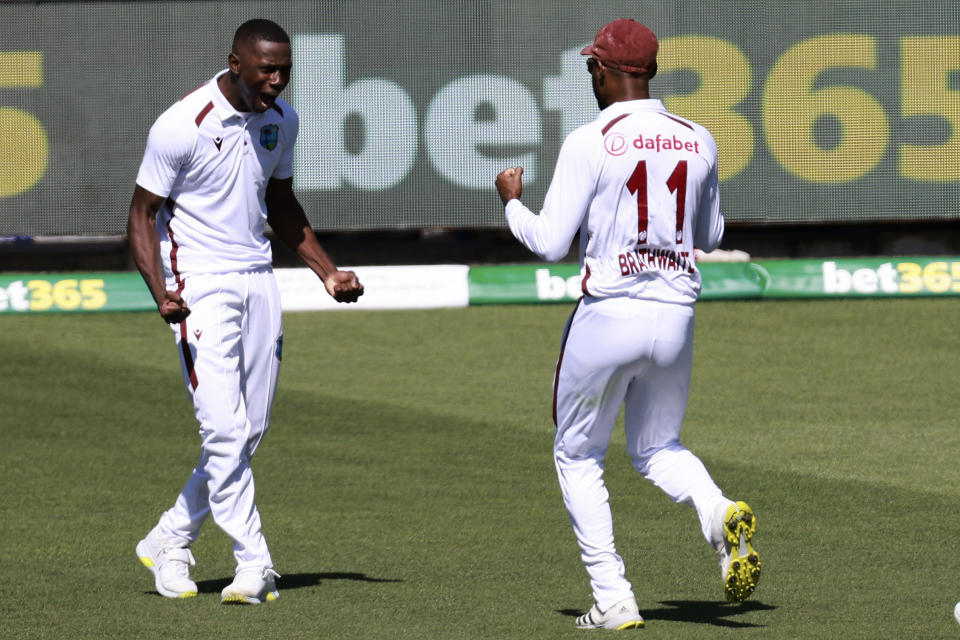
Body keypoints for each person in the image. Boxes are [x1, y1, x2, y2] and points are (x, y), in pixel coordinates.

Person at [495, 18, 760, 630]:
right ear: (654, 69)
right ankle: (717, 510)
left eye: (592, 65)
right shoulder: (699, 137)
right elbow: (713, 235)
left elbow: (549, 242)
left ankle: (613, 596)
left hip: (610, 313)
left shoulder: (592, 139)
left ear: (601, 70)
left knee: (577, 454)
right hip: (675, 316)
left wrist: (510, 201)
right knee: (658, 447)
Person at [128, 18, 363, 604]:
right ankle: (254, 564)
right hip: (199, 286)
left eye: (284, 70)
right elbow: (141, 214)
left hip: (260, 282)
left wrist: (326, 270)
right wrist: (161, 291)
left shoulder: (282, 121)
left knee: (248, 429)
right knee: (225, 429)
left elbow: (279, 203)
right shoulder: (182, 124)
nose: (277, 81)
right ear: (236, 64)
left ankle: (172, 538)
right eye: (267, 70)